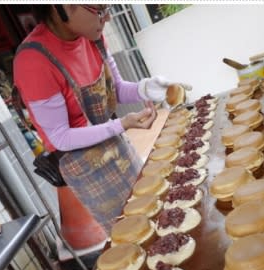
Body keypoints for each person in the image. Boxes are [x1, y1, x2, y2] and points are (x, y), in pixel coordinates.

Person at [13, 4, 178, 234]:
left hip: (119, 149)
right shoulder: (33, 61)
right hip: (87, 169)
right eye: (100, 9)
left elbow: (116, 89)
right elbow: (61, 137)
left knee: (158, 210)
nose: (107, 17)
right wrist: (122, 124)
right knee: (133, 233)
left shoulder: (93, 37)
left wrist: (144, 88)